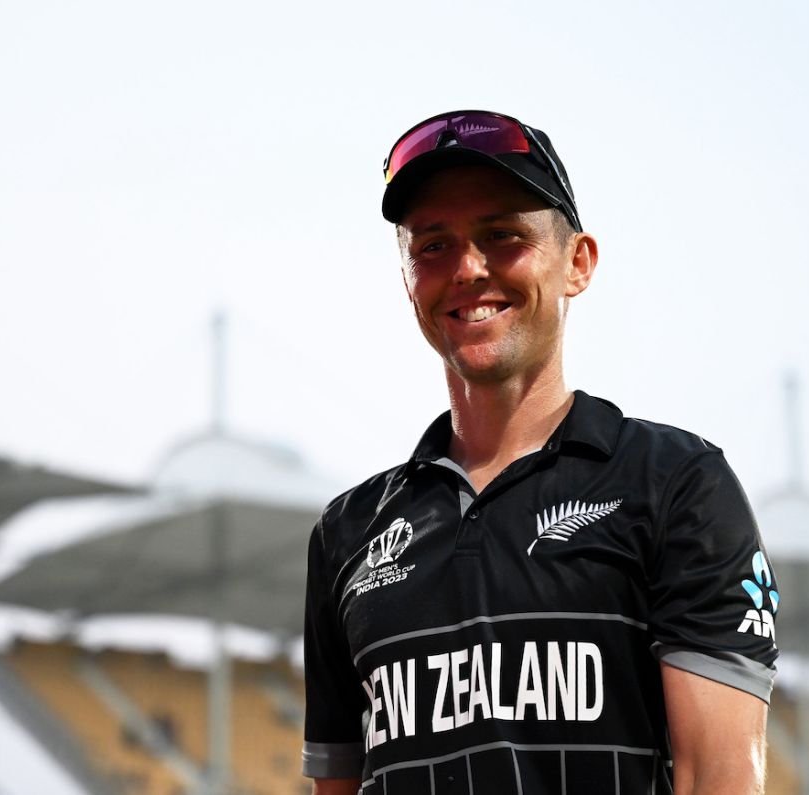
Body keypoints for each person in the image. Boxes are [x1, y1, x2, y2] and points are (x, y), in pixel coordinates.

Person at [302, 110, 780, 795]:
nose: (467, 268)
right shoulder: (348, 532)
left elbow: (720, 779)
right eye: (432, 245)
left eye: (503, 236)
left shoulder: (676, 484)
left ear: (577, 264)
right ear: (409, 279)